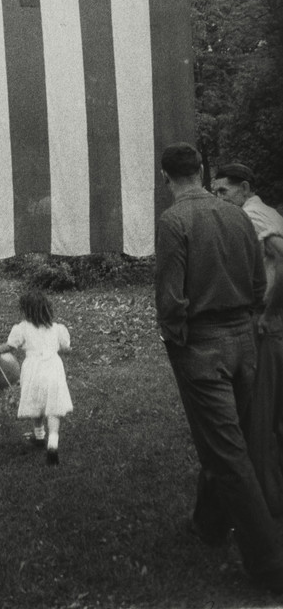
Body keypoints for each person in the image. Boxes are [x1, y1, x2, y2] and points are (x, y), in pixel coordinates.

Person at [155, 142, 283, 595]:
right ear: (202, 171)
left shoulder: (174, 221)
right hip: (244, 340)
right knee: (231, 438)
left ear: (166, 178)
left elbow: (171, 299)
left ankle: (268, 563)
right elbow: (258, 283)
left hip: (202, 345)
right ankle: (209, 523)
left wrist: (175, 339)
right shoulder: (237, 214)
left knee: (228, 451)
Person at [214, 163, 283, 517]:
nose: (218, 198)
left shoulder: (252, 215)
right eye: (215, 192)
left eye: (223, 191)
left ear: (244, 188)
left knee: (259, 419)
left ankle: (268, 506)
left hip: (267, 326)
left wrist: (269, 313)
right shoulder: (267, 211)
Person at [0, 289, 73, 465]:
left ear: (26, 311)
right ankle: (53, 442)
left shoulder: (21, 329)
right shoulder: (57, 329)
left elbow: (10, 346)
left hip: (33, 369)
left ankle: (39, 435)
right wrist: (66, 348)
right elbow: (66, 348)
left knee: (36, 401)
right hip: (53, 367)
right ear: (47, 309)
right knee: (53, 406)